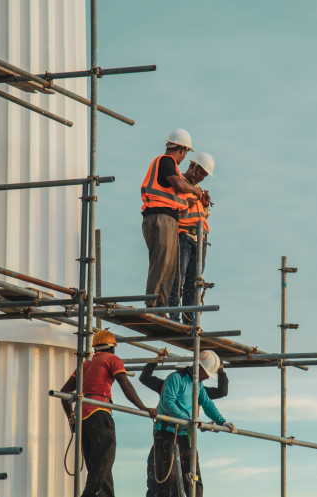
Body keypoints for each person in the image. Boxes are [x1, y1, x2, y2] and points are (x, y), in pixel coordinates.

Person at [60, 330, 157, 497]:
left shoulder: (84, 365)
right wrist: (143, 407)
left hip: (82, 418)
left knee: (98, 466)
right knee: (106, 458)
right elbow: (125, 384)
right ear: (112, 348)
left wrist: (72, 419)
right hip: (99, 412)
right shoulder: (113, 359)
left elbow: (64, 392)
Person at [140, 349, 229, 497]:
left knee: (194, 480)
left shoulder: (198, 385)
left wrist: (222, 422)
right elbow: (168, 402)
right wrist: (185, 419)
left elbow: (207, 404)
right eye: (207, 373)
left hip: (185, 435)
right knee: (167, 481)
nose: (207, 377)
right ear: (199, 367)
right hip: (168, 434)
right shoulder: (174, 379)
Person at [141, 129, 202, 317]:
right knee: (161, 263)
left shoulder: (169, 165)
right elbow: (179, 185)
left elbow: (172, 195)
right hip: (159, 218)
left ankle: (161, 307)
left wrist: (187, 201)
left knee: (169, 266)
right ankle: (152, 305)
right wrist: (196, 192)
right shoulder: (166, 161)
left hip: (167, 218)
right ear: (183, 149)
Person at [168, 153, 215, 324]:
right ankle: (173, 316)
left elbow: (203, 216)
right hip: (183, 236)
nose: (202, 177)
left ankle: (189, 320)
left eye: (204, 175)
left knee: (193, 284)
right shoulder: (178, 182)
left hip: (198, 240)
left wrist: (206, 205)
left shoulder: (198, 190)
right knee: (177, 279)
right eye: (201, 173)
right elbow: (174, 206)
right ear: (193, 167)